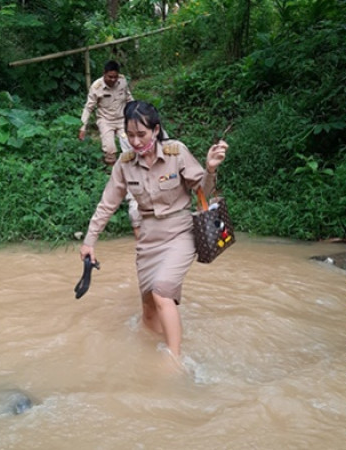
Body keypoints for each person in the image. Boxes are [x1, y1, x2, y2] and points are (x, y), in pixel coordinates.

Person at [80, 100, 228, 365]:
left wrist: (210, 169)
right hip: (148, 239)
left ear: (156, 130)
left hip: (180, 233)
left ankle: (174, 360)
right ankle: (152, 352)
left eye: (142, 134)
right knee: (148, 312)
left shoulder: (176, 152)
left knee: (162, 291)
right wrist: (89, 241)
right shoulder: (125, 164)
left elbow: (203, 192)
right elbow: (108, 203)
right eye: (130, 135)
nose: (136, 141)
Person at [78, 60, 141, 236]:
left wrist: (135, 113)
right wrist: (83, 126)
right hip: (105, 120)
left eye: (115, 77)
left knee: (129, 147)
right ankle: (114, 179)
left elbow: (129, 98)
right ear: (104, 74)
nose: (112, 80)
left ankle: (131, 173)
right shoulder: (96, 86)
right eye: (109, 77)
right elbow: (89, 107)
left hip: (122, 120)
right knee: (110, 149)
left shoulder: (123, 81)